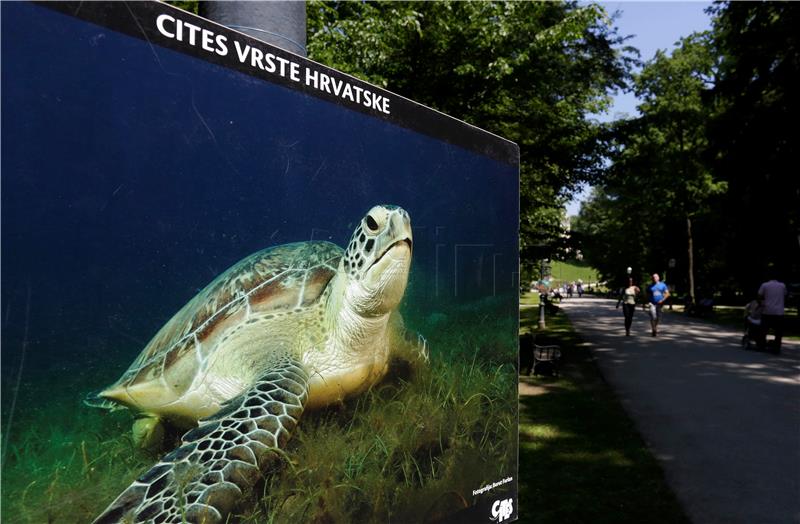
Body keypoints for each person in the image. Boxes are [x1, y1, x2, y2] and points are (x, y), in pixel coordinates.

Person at [758, 274, 787, 353]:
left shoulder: (765, 285)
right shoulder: (782, 285)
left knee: (763, 330)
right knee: (778, 332)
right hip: (779, 312)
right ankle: (776, 348)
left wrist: (761, 303)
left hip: (767, 311)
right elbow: (784, 294)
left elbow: (759, 295)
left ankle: (761, 346)